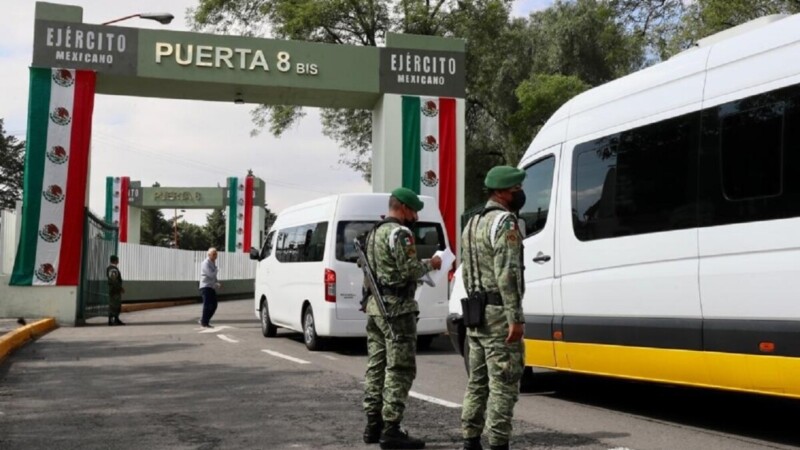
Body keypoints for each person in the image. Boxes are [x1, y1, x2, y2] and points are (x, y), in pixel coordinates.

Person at [362, 187, 442, 450]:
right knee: (400, 369)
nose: (416, 216)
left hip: (376, 307)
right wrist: (431, 264)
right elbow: (409, 271)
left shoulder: (374, 232)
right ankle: (391, 429)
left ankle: (372, 425)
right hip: (397, 310)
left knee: (376, 366)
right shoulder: (401, 233)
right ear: (404, 208)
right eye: (414, 211)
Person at [460, 166, 527, 450]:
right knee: (503, 384)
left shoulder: (471, 223)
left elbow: (465, 272)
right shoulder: (505, 222)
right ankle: (498, 444)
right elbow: (508, 273)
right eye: (516, 189)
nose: (520, 194)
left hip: (475, 313)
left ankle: (470, 439)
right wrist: (515, 317)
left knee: (477, 382)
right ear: (501, 192)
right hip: (499, 315)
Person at [199, 247, 221, 328]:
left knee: (214, 305)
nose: (215, 256)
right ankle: (204, 322)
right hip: (205, 286)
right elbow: (210, 274)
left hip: (211, 286)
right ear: (209, 255)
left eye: (216, 254)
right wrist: (216, 270)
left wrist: (217, 282)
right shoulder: (205, 263)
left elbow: (214, 276)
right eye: (214, 254)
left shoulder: (213, 262)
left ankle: (205, 320)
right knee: (207, 305)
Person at [106, 255, 126, 326]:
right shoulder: (113, 269)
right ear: (115, 261)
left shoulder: (112, 268)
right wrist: (119, 288)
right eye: (117, 260)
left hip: (114, 289)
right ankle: (111, 320)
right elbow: (114, 280)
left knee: (116, 305)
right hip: (114, 290)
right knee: (114, 305)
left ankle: (116, 319)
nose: (118, 261)